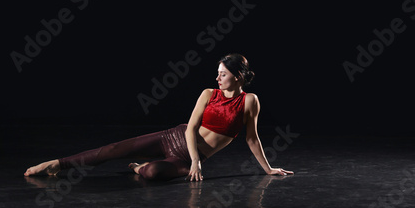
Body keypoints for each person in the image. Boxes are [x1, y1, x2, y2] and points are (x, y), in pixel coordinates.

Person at [24, 53, 293, 181]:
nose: (217, 77)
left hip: (185, 158)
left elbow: (252, 138)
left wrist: (268, 169)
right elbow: (190, 130)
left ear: (236, 75)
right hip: (172, 137)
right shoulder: (208, 93)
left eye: (222, 73)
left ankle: (139, 167)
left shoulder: (249, 101)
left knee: (151, 173)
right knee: (113, 149)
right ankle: (56, 164)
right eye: (218, 72)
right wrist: (198, 161)